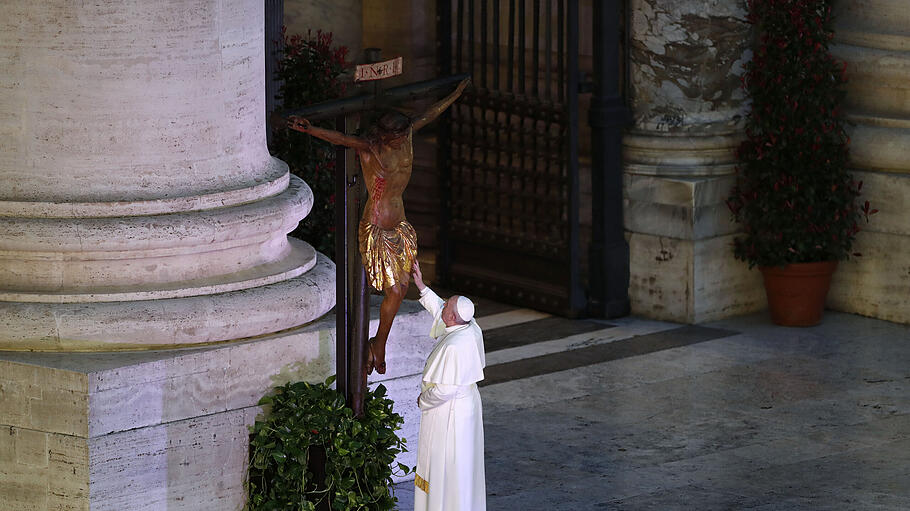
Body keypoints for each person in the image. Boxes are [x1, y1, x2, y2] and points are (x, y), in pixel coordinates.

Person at [287, 77, 469, 375]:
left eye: (401, 136)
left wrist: (455, 94)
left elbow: (429, 114)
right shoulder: (369, 149)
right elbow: (339, 139)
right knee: (395, 292)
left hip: (400, 224)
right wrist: (309, 128)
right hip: (377, 226)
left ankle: (378, 343)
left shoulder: (407, 135)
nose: (400, 141)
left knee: (405, 287)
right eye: (394, 138)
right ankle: (379, 344)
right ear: (383, 136)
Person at [411, 261, 486, 511]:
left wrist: (423, 400)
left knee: (448, 466)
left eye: (447, 305)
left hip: (450, 413)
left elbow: (445, 390)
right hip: (466, 406)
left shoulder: (455, 346)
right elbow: (440, 312)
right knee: (463, 468)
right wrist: (421, 286)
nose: (443, 305)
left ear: (452, 317)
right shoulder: (469, 326)